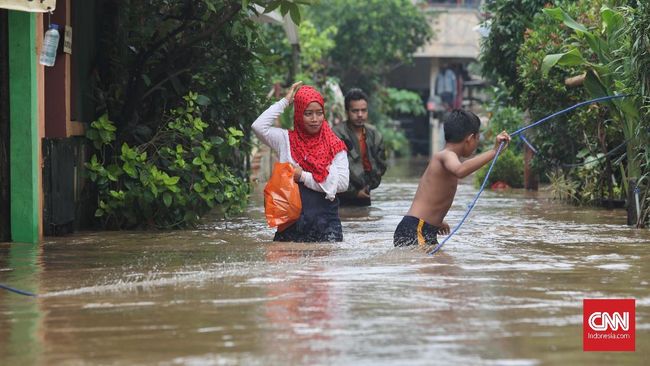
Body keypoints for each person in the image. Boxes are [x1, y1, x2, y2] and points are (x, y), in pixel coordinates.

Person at [393, 109, 511, 247]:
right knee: (438, 266)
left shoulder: (445, 157)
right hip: (417, 228)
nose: (477, 144)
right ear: (470, 139)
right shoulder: (446, 156)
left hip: (422, 228)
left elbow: (430, 195)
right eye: (477, 139)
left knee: (445, 266)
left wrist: (438, 222)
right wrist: (494, 151)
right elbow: (460, 170)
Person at [252, 82, 349, 242]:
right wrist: (285, 101)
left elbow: (343, 184)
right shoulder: (285, 140)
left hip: (326, 228)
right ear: (298, 115)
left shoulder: (335, 145)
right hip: (290, 228)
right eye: (308, 113)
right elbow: (258, 126)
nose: (314, 119)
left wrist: (302, 176)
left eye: (319, 113)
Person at [332, 88, 387, 206]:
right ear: (347, 112)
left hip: (365, 193)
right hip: (341, 197)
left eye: (363, 110)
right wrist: (354, 192)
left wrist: (368, 187)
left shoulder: (374, 134)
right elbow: (332, 170)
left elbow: (381, 165)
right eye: (355, 111)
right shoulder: (336, 134)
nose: (360, 115)